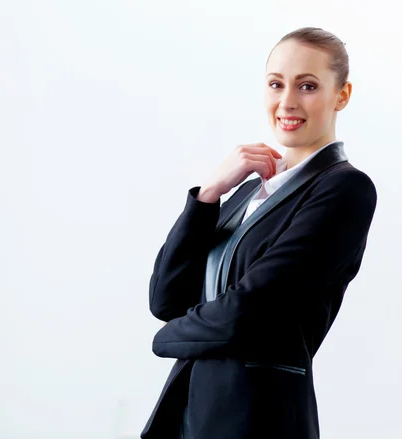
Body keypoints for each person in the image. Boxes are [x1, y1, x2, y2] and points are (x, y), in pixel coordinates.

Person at [140, 27, 377, 439]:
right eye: (276, 84)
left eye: (307, 86)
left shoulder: (344, 189)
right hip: (187, 414)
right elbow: (167, 298)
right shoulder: (249, 189)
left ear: (341, 95)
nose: (287, 102)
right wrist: (209, 194)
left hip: (258, 418)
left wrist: (165, 340)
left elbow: (248, 312)